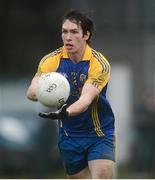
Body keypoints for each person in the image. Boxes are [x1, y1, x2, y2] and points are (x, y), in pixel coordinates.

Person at [27, 9, 115, 179]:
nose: (68, 37)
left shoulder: (98, 64)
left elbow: (86, 99)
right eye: (64, 32)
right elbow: (32, 90)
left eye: (74, 32)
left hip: (99, 132)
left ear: (86, 35)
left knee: (102, 175)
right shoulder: (51, 60)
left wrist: (66, 112)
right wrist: (41, 91)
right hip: (69, 135)